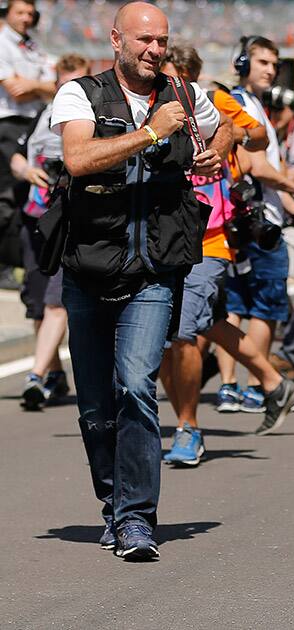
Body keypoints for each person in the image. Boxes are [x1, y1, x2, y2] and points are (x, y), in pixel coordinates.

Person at [52, 1, 229, 560]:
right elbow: (78, 159)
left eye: (163, 41)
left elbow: (228, 127)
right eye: (145, 40)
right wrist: (151, 134)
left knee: (134, 386)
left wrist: (215, 155)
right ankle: (113, 506)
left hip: (155, 268)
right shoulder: (80, 93)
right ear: (116, 40)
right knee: (96, 405)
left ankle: (135, 520)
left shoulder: (183, 93)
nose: (155, 50)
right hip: (88, 264)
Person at [156, 44, 294, 467]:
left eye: (165, 73)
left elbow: (257, 134)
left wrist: (225, 135)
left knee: (183, 332)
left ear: (182, 73)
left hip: (209, 236)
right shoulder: (148, 107)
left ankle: (188, 428)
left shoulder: (213, 99)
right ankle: (275, 384)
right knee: (205, 323)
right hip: (164, 236)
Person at [215, 35, 294, 414]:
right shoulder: (240, 105)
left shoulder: (252, 104)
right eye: (262, 63)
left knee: (235, 305)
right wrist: (293, 188)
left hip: (247, 219)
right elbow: (254, 165)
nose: (271, 70)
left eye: (274, 64)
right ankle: (257, 387)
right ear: (242, 64)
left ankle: (228, 387)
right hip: (257, 221)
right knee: (266, 307)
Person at [11, 54, 87, 411]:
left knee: (56, 301)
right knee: (38, 303)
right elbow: (16, 152)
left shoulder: (91, 114)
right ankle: (54, 373)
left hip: (70, 219)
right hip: (34, 216)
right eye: (64, 83)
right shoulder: (44, 115)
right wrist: (26, 170)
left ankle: (36, 375)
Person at [0, 0, 54, 287]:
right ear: (7, 13)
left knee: (22, 193)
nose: (26, 18)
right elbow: (15, 92)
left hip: (30, 123)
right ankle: (4, 264)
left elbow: (52, 85)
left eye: (30, 14)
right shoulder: (2, 43)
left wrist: (31, 84)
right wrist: (39, 86)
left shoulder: (32, 46)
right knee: (7, 193)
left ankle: (14, 261)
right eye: (20, 12)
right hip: (7, 123)